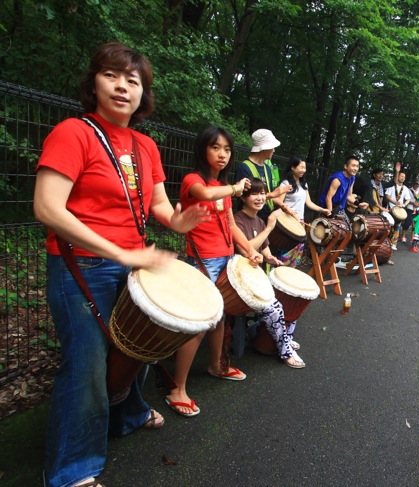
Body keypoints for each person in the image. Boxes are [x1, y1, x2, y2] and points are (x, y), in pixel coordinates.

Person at [33, 42, 210, 487]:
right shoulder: (74, 132)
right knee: (87, 365)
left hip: (130, 265)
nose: (122, 86)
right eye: (112, 75)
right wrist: (121, 254)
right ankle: (73, 471)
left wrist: (180, 220)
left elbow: (160, 207)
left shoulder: (145, 145)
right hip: (82, 266)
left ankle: (126, 414)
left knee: (137, 347)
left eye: (133, 80)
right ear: (94, 83)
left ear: (143, 94)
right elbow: (48, 208)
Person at [165, 126, 264, 418]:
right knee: (197, 325)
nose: (222, 154)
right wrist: (235, 188)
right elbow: (206, 194)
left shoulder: (222, 187)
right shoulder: (193, 181)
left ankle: (215, 365)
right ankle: (177, 389)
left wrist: (249, 249)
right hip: (202, 260)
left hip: (224, 258)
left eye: (227, 149)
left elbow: (232, 225)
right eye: (215, 148)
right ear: (202, 150)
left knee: (220, 318)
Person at [234, 179, 307, 368]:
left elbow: (265, 251)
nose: (259, 198)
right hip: (241, 281)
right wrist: (269, 227)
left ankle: (285, 338)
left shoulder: (258, 220)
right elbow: (246, 250)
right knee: (275, 308)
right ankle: (285, 351)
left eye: (262, 194)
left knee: (293, 297)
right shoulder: (237, 220)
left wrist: (271, 259)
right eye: (254, 194)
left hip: (256, 277)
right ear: (242, 196)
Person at [272, 156, 330, 266]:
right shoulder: (285, 183)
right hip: (287, 222)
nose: (303, 170)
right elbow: (279, 202)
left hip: (300, 222)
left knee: (297, 252)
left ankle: (290, 276)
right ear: (293, 168)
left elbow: (309, 203)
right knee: (285, 252)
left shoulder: (304, 184)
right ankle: (278, 274)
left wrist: (322, 209)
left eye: (305, 167)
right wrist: (289, 212)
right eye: (301, 167)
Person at [233, 128, 292, 221]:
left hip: (264, 218)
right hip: (248, 219)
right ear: (264, 148)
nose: (274, 150)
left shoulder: (267, 168)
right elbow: (242, 197)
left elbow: (269, 195)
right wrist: (273, 194)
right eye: (272, 147)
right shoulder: (244, 168)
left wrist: (284, 206)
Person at [384, 170, 413, 250]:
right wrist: (394, 202)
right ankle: (385, 243)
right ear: (398, 176)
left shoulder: (405, 188)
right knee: (389, 226)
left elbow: (408, 199)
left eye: (404, 177)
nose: (403, 178)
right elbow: (387, 196)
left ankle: (394, 243)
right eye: (401, 176)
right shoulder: (392, 186)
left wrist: (404, 204)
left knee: (398, 227)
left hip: (399, 211)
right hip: (390, 209)